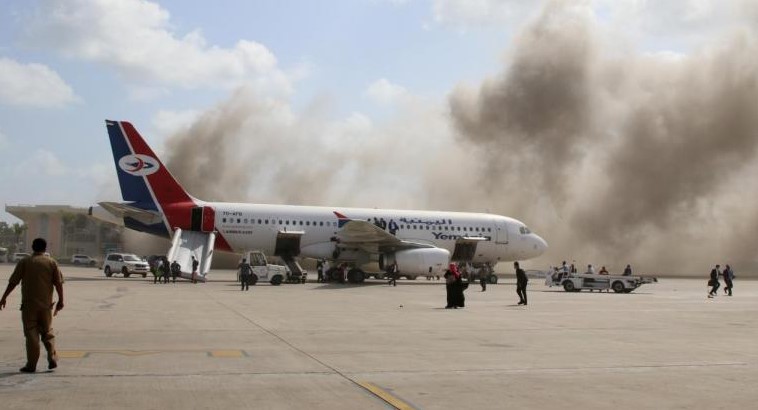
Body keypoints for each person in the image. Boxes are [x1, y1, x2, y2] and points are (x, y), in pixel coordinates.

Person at [0, 238, 64, 373]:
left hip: (29, 305)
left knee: (31, 333)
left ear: (32, 247)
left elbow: (13, 282)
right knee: (47, 332)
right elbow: (58, 283)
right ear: (45, 248)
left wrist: (4, 297)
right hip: (46, 305)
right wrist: (61, 300)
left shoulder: (25, 262)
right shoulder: (51, 262)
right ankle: (52, 356)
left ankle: (32, 365)